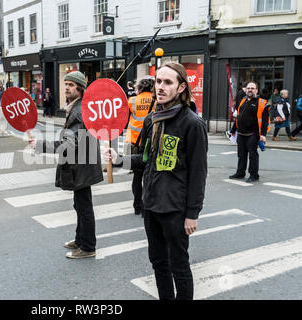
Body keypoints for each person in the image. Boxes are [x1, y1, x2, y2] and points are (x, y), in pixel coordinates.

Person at [104, 62, 208, 300]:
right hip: (151, 204)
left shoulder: (192, 123)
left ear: (181, 87)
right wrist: (119, 159)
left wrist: (192, 213)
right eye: (158, 81)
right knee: (158, 263)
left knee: (179, 266)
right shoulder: (153, 119)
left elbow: (198, 173)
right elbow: (145, 160)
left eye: (168, 82)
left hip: (175, 208)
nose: (161, 87)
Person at [28, 71, 103, 259]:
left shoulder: (79, 111)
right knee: (80, 204)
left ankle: (88, 247)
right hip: (81, 164)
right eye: (66, 84)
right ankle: (81, 239)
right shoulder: (76, 108)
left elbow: (70, 144)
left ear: (80, 88)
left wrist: (40, 145)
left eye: (71, 85)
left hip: (82, 165)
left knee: (84, 207)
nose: (67, 88)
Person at [125, 78, 155, 217]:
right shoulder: (156, 102)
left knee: (137, 176)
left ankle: (137, 205)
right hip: (150, 143)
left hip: (134, 142)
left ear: (140, 88)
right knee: (149, 175)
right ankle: (147, 205)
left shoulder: (132, 101)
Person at [229, 81, 270, 183]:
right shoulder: (243, 101)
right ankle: (240, 172)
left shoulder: (261, 103)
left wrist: (263, 135)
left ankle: (254, 175)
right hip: (241, 134)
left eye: (252, 88)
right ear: (246, 90)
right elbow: (238, 117)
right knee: (241, 155)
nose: (250, 90)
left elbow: (265, 121)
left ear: (256, 90)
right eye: (248, 88)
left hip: (253, 134)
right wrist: (233, 130)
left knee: (252, 155)